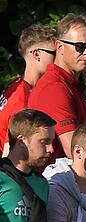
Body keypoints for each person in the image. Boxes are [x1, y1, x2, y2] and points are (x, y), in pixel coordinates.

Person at [28, 13, 86, 166]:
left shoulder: (71, 85)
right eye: (80, 47)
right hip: (57, 183)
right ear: (60, 47)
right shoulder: (54, 88)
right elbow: (73, 150)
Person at [0, 109, 55, 222]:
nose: (51, 149)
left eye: (52, 142)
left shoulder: (42, 183)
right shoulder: (1, 177)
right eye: (44, 142)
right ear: (22, 140)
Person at [0, 24, 57, 155]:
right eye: (55, 53)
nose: (60, 59)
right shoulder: (23, 99)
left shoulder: (16, 85)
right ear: (36, 54)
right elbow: (11, 152)